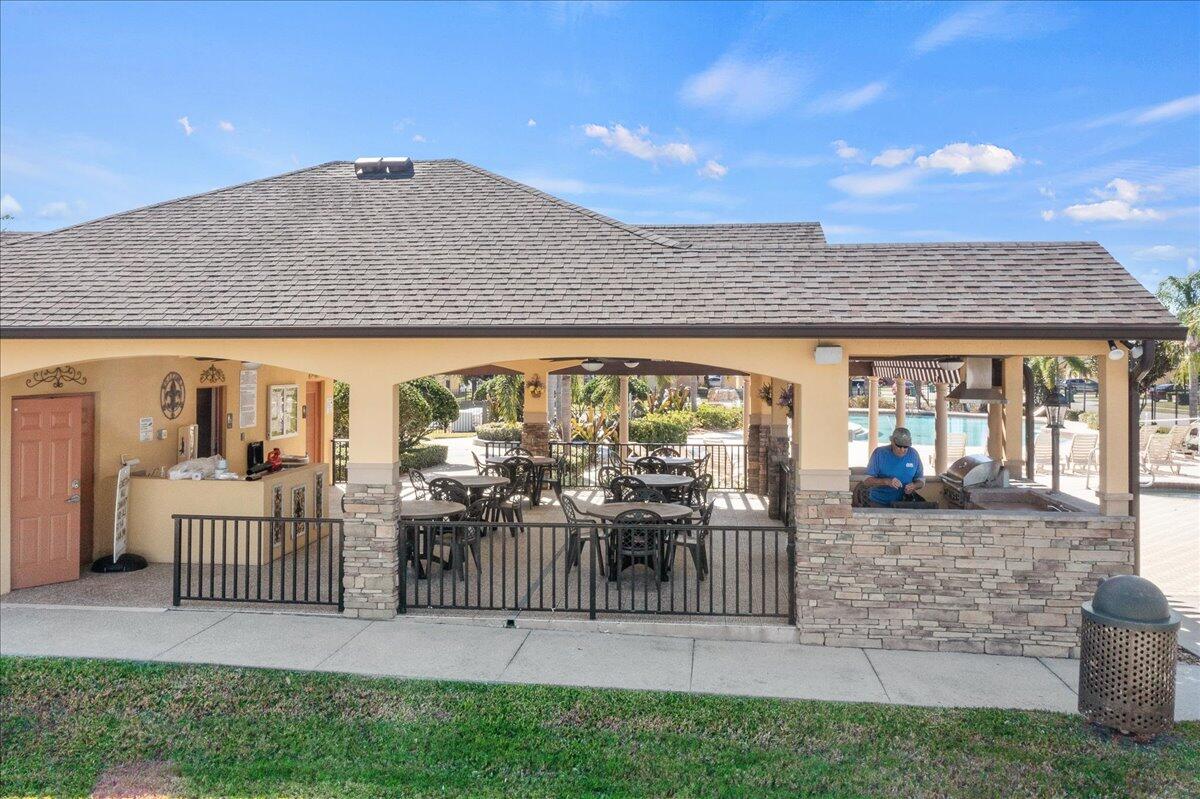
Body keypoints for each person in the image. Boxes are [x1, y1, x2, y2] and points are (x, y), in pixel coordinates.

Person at [863, 427, 925, 507]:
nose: (902, 449)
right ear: (892, 441)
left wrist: (914, 486)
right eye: (899, 446)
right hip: (879, 503)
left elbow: (921, 480)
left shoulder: (914, 454)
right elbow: (866, 480)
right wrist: (886, 481)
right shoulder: (879, 453)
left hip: (904, 504)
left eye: (906, 447)